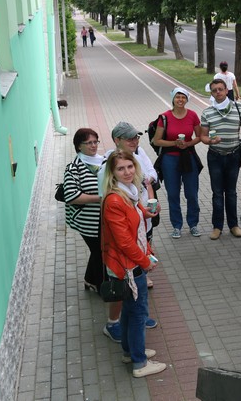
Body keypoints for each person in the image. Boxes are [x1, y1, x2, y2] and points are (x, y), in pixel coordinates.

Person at [101, 151, 166, 378]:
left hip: (130, 262)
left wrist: (148, 213)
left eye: (130, 166)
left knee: (129, 311)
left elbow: (136, 226)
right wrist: (144, 260)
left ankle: (129, 352)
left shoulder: (129, 192)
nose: (127, 172)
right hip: (127, 266)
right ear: (112, 172)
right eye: (121, 169)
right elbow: (124, 241)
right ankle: (140, 364)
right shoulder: (115, 200)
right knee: (138, 314)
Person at [98, 122, 161, 337]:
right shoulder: (109, 166)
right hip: (123, 243)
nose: (135, 141)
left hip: (140, 227)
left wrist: (145, 209)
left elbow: (146, 181)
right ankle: (114, 323)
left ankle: (137, 316)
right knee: (122, 285)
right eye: (129, 138)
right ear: (117, 141)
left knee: (135, 286)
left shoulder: (138, 153)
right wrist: (144, 260)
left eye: (136, 137)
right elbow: (122, 237)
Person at [200, 79, 241, 240]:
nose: (218, 93)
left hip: (234, 155)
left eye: (221, 89)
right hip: (215, 156)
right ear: (211, 93)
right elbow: (203, 136)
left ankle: (234, 225)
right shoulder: (207, 112)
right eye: (214, 90)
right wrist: (210, 141)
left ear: (227, 90)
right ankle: (217, 227)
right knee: (216, 192)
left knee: (230, 192)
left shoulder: (239, 108)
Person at [152, 87, 203, 239]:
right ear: (173, 99)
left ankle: (193, 224)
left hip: (188, 157)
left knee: (192, 193)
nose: (180, 100)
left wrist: (188, 144)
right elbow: (157, 140)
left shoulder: (193, 115)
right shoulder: (164, 117)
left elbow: (199, 136)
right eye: (177, 97)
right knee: (173, 194)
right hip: (170, 159)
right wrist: (175, 143)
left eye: (183, 97)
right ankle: (177, 226)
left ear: (187, 99)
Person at [62, 128, 104, 292]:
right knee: (99, 252)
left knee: (99, 251)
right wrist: (99, 198)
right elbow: (71, 196)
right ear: (79, 146)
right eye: (89, 143)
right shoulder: (74, 168)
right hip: (88, 222)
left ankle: (89, 280)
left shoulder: (104, 161)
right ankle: (101, 286)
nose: (93, 146)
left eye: (95, 142)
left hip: (105, 217)